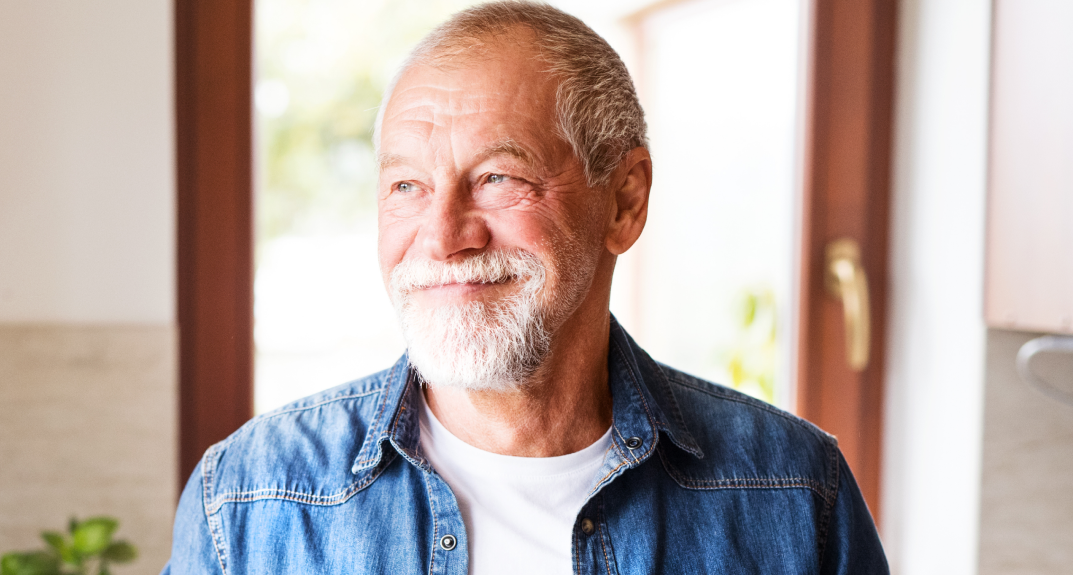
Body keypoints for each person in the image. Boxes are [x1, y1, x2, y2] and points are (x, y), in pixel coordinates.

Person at [163, 2, 887, 573]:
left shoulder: (793, 491)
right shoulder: (249, 500)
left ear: (625, 201)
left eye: (498, 178)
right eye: (407, 185)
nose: (444, 236)